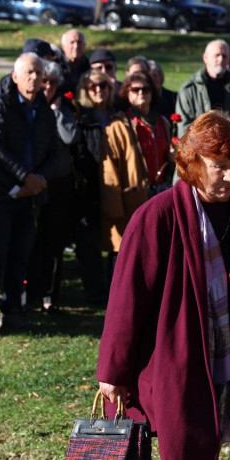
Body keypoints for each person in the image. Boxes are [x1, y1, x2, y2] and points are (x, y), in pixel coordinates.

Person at [97, 110, 230, 460]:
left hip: (226, 355)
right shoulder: (156, 216)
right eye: (218, 168)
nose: (229, 178)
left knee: (200, 450)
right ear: (193, 164)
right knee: (194, 452)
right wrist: (113, 372)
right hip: (173, 357)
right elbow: (127, 299)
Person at [0, 54, 60, 332]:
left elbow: (55, 150)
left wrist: (40, 179)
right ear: (15, 77)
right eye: (29, 73)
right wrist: (25, 178)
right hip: (2, 192)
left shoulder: (44, 109)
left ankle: (13, 311)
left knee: (21, 256)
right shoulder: (1, 105)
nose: (35, 78)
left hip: (31, 195)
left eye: (39, 74)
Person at [102, 71, 172, 280]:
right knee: (126, 251)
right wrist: (114, 208)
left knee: (157, 250)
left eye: (146, 89)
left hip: (159, 193)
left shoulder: (162, 123)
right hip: (130, 197)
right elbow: (109, 170)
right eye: (136, 89)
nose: (141, 93)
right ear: (127, 94)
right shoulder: (118, 125)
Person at [25, 61, 76, 314]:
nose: (46, 87)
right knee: (31, 239)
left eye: (52, 83)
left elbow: (69, 137)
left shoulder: (63, 108)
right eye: (43, 81)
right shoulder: (27, 106)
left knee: (54, 242)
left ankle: (49, 295)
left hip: (59, 184)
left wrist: (57, 113)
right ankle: (28, 291)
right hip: (33, 182)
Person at [70, 69, 114, 304]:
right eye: (93, 86)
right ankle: (95, 292)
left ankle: (115, 289)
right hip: (89, 186)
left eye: (103, 86)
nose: (99, 90)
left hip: (114, 186)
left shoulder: (117, 115)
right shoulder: (82, 116)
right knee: (90, 242)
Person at [176, 40, 230, 138]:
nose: (221, 59)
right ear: (205, 58)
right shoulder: (189, 89)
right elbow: (184, 127)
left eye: (225, 56)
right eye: (217, 55)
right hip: (199, 149)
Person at [60, 29, 89, 95]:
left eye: (79, 42)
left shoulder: (90, 66)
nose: (76, 46)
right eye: (72, 42)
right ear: (63, 46)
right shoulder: (57, 66)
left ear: (84, 45)